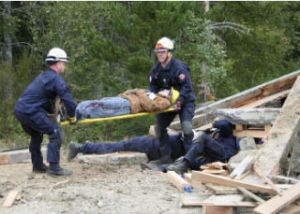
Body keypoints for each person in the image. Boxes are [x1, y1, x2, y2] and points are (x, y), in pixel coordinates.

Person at [68, 119, 239, 173]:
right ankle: (83, 147)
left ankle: (83, 148)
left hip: (163, 150)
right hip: (162, 145)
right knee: (122, 144)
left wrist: (169, 165)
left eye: (216, 131)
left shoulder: (226, 146)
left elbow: (202, 163)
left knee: (121, 145)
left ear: (222, 132)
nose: (213, 133)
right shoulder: (212, 137)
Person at [14, 47, 77, 176]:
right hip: (31, 111)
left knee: (36, 135)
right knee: (55, 132)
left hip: (21, 110)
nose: (65, 66)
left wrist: (56, 115)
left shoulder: (44, 76)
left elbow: (45, 102)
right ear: (58, 63)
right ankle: (54, 168)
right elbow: (69, 101)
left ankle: (38, 166)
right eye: (64, 63)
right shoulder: (56, 79)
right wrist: (72, 117)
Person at [148, 37, 196, 168]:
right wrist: (153, 99)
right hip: (168, 104)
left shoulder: (179, 68)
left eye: (163, 52)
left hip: (185, 102)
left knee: (186, 127)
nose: (160, 55)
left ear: (169, 53)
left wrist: (180, 100)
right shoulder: (156, 70)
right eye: (158, 52)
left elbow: (187, 87)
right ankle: (166, 159)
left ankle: (189, 161)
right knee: (159, 128)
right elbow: (152, 87)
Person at [167, 119, 240, 174]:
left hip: (225, 153)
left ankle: (184, 163)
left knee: (203, 137)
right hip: (213, 158)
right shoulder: (217, 132)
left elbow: (223, 124)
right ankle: (181, 165)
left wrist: (214, 124)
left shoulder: (230, 130)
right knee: (192, 163)